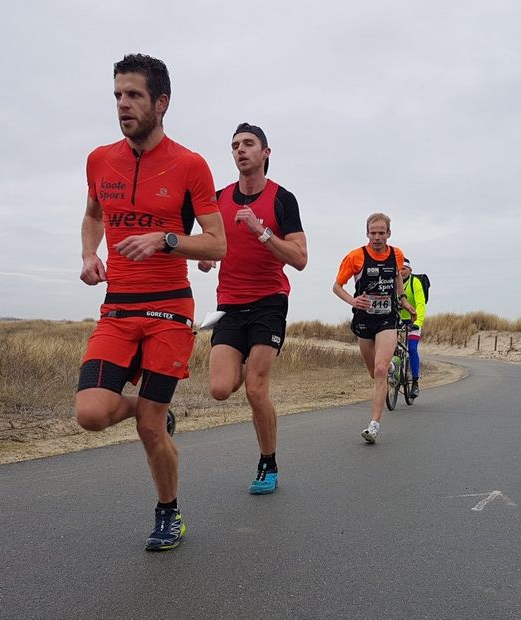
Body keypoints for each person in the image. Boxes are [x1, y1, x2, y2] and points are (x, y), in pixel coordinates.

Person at [74, 54, 226, 552]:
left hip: (168, 311)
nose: (123, 104)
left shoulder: (190, 165)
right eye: (118, 95)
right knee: (91, 414)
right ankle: (151, 409)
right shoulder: (100, 159)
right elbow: (94, 213)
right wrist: (89, 253)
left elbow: (217, 244)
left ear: (161, 102)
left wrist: (166, 239)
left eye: (134, 95)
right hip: (117, 308)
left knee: (147, 429)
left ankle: (169, 514)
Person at [197, 123, 307, 495]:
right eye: (234, 146)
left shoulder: (281, 199)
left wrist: (262, 232)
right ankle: (242, 360)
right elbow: (207, 243)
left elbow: (301, 258)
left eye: (248, 144)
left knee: (256, 389)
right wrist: (206, 258)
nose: (240, 150)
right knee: (219, 388)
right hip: (228, 305)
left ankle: (268, 461)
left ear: (265, 153)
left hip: (268, 302)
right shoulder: (218, 199)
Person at [332, 213, 414, 443]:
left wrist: (403, 299)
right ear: (367, 233)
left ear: (389, 233)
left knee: (379, 370)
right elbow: (337, 286)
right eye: (373, 232)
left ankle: (374, 426)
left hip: (388, 317)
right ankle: (390, 369)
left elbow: (397, 276)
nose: (377, 237)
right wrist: (352, 300)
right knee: (373, 372)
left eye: (381, 232)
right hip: (363, 319)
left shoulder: (397, 254)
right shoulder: (355, 257)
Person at [399, 257, 426, 398]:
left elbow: (421, 304)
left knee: (412, 348)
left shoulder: (414, 282)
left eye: (404, 269)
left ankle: (415, 383)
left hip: (413, 320)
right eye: (399, 269)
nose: (401, 271)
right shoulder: (393, 282)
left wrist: (418, 321)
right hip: (396, 320)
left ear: (410, 270)